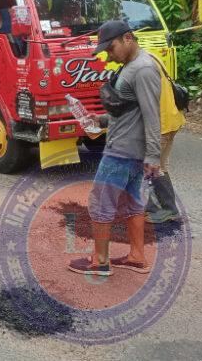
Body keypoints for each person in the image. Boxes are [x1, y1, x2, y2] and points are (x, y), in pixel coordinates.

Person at [68, 20, 161, 276]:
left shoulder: (142, 69)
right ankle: (137, 257)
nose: (109, 54)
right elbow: (131, 111)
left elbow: (152, 115)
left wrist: (154, 155)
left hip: (122, 151)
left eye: (111, 48)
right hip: (129, 151)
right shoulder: (131, 67)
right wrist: (101, 119)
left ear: (128, 38)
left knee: (100, 203)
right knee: (133, 204)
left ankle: (99, 262)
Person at [145, 56, 186, 224]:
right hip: (171, 120)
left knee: (146, 167)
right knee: (159, 166)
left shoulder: (141, 67)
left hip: (160, 125)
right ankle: (169, 209)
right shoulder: (152, 57)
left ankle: (159, 210)